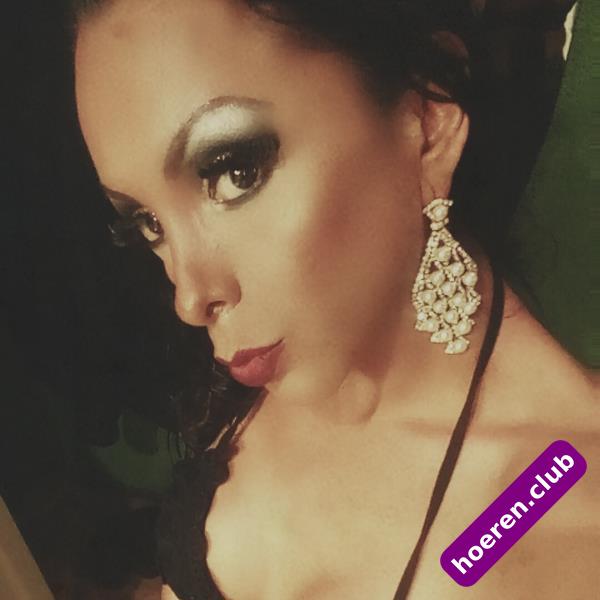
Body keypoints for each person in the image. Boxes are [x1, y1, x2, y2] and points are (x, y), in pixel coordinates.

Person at [70, 1, 599, 598]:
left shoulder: (568, 504)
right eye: (147, 223)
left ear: (427, 123)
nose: (190, 297)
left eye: (234, 172)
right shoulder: (265, 383)